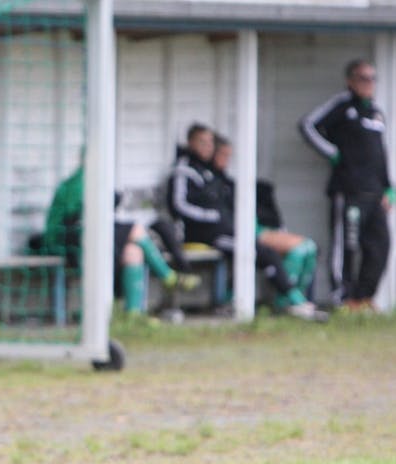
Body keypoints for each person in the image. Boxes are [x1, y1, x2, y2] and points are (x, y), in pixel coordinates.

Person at [169, 123, 327, 321]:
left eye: (210, 143)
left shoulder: (213, 173)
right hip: (204, 234)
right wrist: (213, 217)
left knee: (285, 249)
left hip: (228, 230)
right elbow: (178, 205)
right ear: (191, 143)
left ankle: (292, 299)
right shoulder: (184, 170)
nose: (207, 147)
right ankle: (290, 301)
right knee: (257, 251)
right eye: (202, 142)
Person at [40, 163, 200, 320]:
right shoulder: (76, 185)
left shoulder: (98, 181)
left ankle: (133, 314)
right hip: (68, 242)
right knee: (134, 230)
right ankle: (167, 276)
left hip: (91, 239)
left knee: (133, 251)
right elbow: (74, 219)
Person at [298, 59, 394, 311]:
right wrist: (332, 153)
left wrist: (388, 187)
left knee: (380, 246)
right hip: (348, 190)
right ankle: (343, 298)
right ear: (350, 81)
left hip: (375, 193)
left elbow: (380, 154)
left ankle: (364, 298)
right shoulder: (342, 105)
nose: (369, 83)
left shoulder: (376, 113)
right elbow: (307, 125)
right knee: (346, 247)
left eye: (372, 78)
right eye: (363, 78)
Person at [212, 135, 320, 303]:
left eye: (228, 155)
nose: (226, 160)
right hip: (235, 232)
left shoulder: (228, 183)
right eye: (222, 154)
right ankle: (288, 301)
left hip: (253, 228)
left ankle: (299, 298)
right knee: (296, 250)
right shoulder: (211, 183)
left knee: (309, 247)